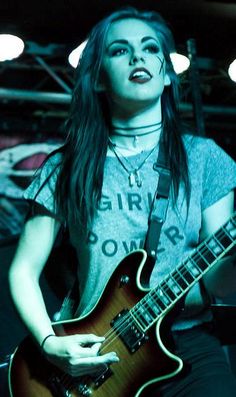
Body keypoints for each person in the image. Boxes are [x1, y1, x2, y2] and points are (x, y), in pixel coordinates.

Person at [8, 6, 236, 397]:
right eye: (119, 50)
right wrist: (50, 343)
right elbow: (23, 270)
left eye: (151, 49)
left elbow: (220, 281)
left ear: (166, 75)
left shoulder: (205, 158)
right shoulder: (67, 166)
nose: (138, 57)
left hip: (188, 347)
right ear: (97, 77)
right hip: (91, 355)